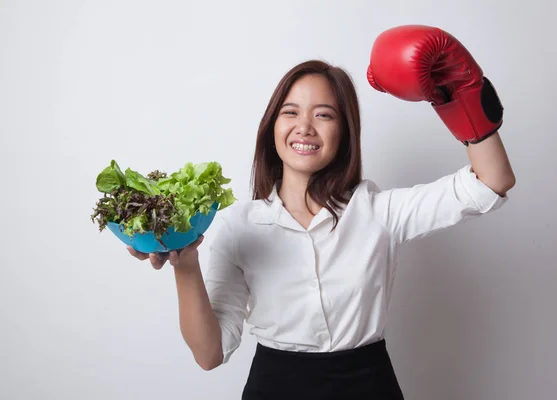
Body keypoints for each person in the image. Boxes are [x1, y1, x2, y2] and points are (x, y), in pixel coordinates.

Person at [128, 25, 516, 400]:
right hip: (273, 388)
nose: (305, 128)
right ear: (271, 127)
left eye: (324, 115)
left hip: (369, 387)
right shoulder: (238, 226)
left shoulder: (378, 210)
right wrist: (185, 262)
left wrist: (460, 96)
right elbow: (209, 355)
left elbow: (491, 182)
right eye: (291, 112)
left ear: (344, 131)